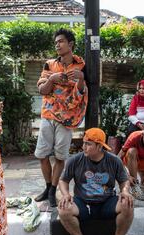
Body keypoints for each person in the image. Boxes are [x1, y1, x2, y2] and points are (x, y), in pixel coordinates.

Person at [34, 28, 88, 207]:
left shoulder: (80, 65)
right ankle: (47, 186)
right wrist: (52, 79)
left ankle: (52, 190)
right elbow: (42, 90)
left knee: (60, 156)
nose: (57, 44)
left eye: (61, 41)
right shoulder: (49, 65)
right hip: (48, 114)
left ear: (70, 44)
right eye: (56, 42)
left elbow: (81, 92)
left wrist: (80, 78)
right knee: (42, 155)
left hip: (67, 119)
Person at [58, 128, 133, 235]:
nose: (84, 147)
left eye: (88, 144)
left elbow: (124, 180)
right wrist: (65, 194)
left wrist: (125, 191)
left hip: (107, 202)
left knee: (127, 204)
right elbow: (63, 180)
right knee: (63, 209)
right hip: (82, 203)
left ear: (99, 146)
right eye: (84, 143)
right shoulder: (75, 160)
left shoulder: (114, 160)